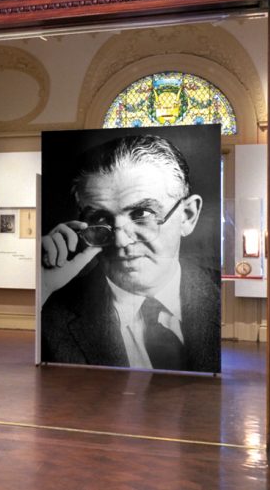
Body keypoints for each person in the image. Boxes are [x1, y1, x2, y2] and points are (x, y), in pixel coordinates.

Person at [39, 133, 220, 372]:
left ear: (188, 216)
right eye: (100, 219)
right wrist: (42, 288)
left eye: (142, 214)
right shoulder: (52, 316)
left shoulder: (219, 294)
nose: (121, 240)